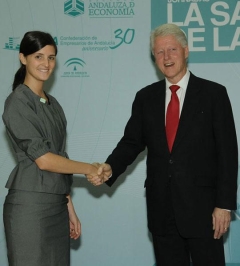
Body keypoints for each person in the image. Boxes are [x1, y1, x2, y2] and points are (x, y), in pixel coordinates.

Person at [87, 23, 238, 265]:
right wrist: (110, 166)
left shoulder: (214, 94)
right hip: (162, 212)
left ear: (186, 51)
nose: (166, 57)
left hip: (204, 212)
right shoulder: (145, 98)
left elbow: (228, 154)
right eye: (159, 52)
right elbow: (131, 142)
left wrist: (224, 205)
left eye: (172, 50)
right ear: (154, 57)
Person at [2, 31, 102, 266]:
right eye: (38, 57)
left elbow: (59, 158)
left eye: (51, 57)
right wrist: (89, 168)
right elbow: (45, 160)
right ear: (22, 58)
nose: (46, 64)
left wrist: (69, 208)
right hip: (29, 209)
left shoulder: (54, 104)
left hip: (57, 206)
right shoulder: (17, 101)